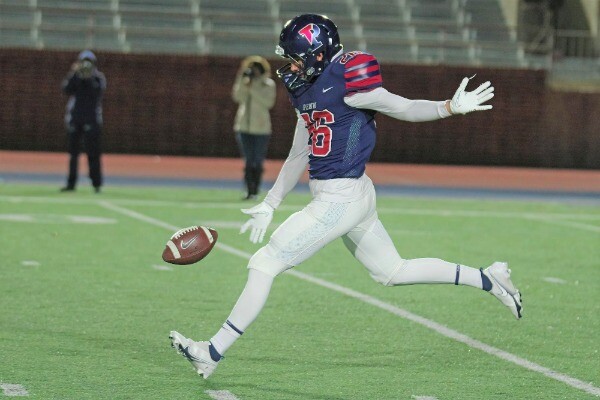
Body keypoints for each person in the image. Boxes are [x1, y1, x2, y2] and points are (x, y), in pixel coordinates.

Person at [170, 14, 522, 379]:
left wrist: (446, 107)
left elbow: (400, 106)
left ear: (317, 54)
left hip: (340, 198)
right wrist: (270, 202)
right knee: (392, 271)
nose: (289, 66)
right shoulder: (306, 89)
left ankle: (211, 352)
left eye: (294, 57)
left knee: (264, 262)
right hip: (350, 194)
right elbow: (299, 153)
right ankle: (488, 278)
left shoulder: (351, 76)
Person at [60, 50, 106, 193]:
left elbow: (97, 92)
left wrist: (89, 77)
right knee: (73, 154)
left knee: (93, 153)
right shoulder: (75, 77)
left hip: (92, 120)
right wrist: (76, 74)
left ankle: (96, 183)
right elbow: (66, 89)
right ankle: (71, 183)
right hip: (76, 119)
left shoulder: (98, 78)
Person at [232, 55, 276, 200]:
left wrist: (253, 88)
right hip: (244, 126)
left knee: (257, 160)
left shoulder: (268, 84)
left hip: (261, 128)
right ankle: (248, 190)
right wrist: (241, 79)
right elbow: (238, 97)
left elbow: (268, 102)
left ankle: (255, 189)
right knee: (248, 160)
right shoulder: (245, 82)